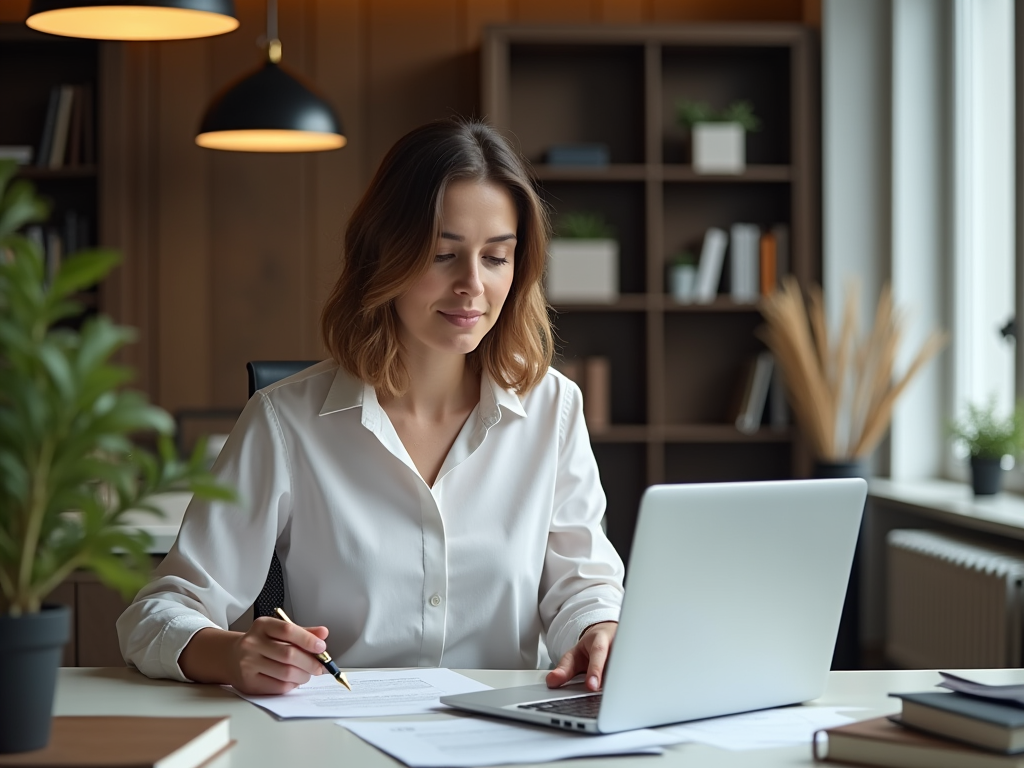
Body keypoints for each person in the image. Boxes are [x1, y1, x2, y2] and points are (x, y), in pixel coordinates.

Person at [116, 118, 625, 696]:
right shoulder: (285, 423)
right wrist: (232, 654)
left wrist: (597, 626)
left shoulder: (553, 409)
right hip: (339, 737)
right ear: (383, 255)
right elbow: (157, 613)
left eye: (496, 257)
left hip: (508, 738)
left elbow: (582, 584)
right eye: (442, 254)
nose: (472, 286)